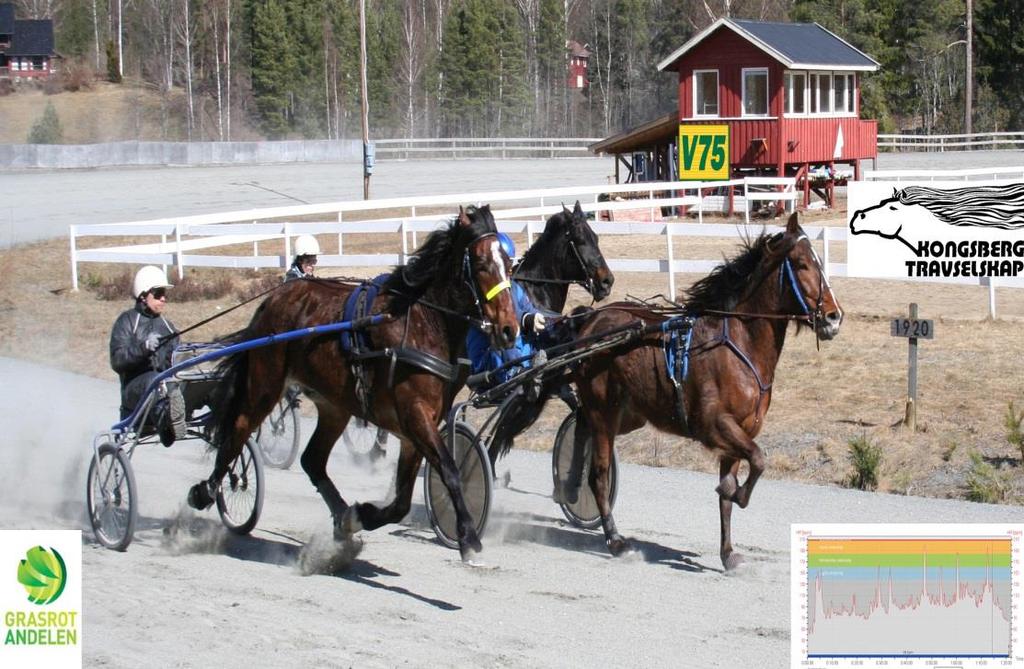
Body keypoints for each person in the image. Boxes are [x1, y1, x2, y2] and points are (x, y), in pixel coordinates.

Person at [109, 265, 185, 446]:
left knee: (196, 378)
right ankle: (166, 426)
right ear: (143, 295)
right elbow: (117, 360)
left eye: (164, 294)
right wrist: (143, 347)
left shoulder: (168, 326)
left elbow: (174, 363)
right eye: (158, 294)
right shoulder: (126, 321)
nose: (163, 298)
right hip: (134, 392)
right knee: (155, 379)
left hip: (162, 387)